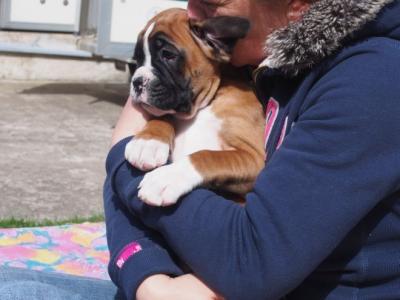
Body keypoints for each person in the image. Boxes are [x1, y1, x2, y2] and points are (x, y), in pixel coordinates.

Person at [105, 0, 400, 299]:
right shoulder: (249, 61)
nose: (191, 13)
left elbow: (251, 261)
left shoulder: (373, 82)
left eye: (211, 4)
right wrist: (144, 270)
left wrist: (122, 157)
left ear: (297, 7)